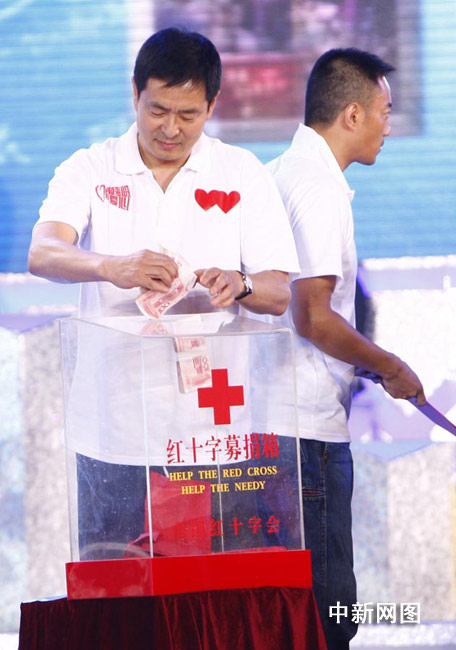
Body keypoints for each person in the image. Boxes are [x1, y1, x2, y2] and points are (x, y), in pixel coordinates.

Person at [28, 27, 300, 559]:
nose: (171, 129)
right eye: (157, 111)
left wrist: (240, 284)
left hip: (214, 431)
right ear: (135, 93)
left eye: (188, 115)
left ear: (213, 106)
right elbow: (43, 252)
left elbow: (278, 292)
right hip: (113, 429)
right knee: (115, 588)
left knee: (211, 593)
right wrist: (112, 266)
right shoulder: (91, 167)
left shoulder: (241, 172)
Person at [267, 48, 425, 650]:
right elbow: (314, 316)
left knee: (295, 616)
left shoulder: (282, 173)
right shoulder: (317, 187)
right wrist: (390, 366)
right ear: (352, 114)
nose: (389, 125)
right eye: (385, 111)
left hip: (281, 428)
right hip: (306, 434)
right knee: (329, 617)